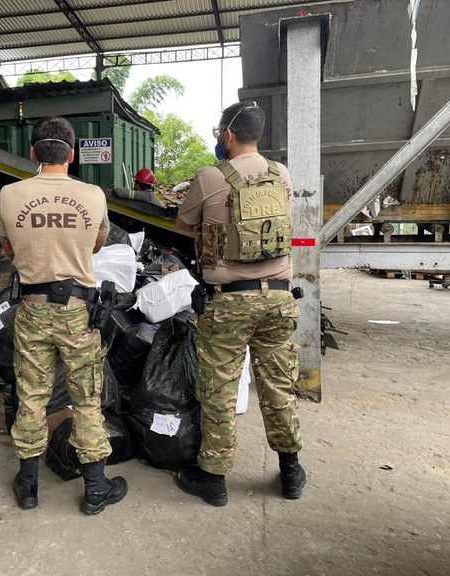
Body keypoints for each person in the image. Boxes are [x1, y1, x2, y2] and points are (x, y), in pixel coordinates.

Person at [175, 101, 305, 506]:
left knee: (219, 390)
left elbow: (183, 222)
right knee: (278, 385)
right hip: (279, 298)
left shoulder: (211, 176)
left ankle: (214, 480)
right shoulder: (281, 174)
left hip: (230, 302)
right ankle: (291, 471)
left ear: (227, 134)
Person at [0, 116, 127, 515]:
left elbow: (6, 247)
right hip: (78, 312)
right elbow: (97, 243)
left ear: (33, 152)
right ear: (71, 155)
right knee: (86, 398)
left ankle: (28, 486)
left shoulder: (9, 194)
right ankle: (95, 488)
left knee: (31, 396)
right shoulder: (93, 195)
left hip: (32, 308)